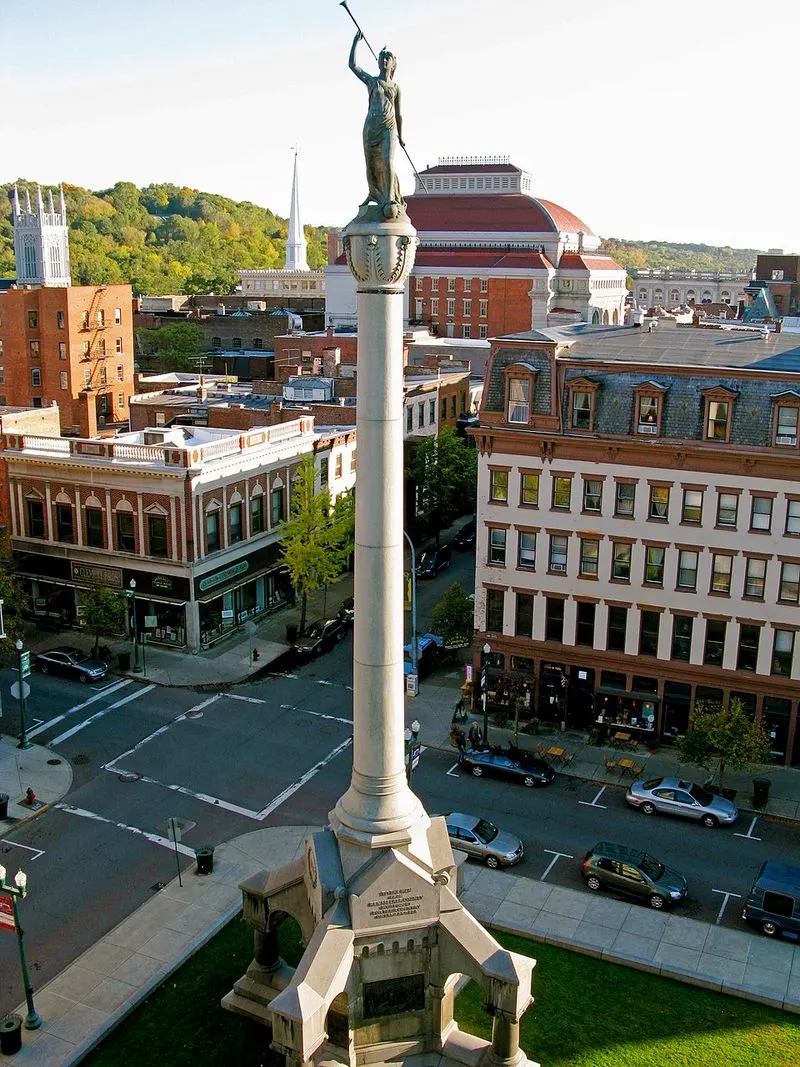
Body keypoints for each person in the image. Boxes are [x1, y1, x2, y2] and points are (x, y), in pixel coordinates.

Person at [349, 30, 405, 219]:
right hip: (371, 127)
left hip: (389, 126)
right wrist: (355, 43)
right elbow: (353, 66)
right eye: (381, 58)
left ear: (393, 63)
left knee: (388, 161)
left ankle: (389, 198)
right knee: (371, 164)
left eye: (387, 58)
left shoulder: (395, 88)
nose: (383, 61)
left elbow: (399, 114)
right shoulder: (372, 82)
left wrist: (402, 136)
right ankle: (374, 193)